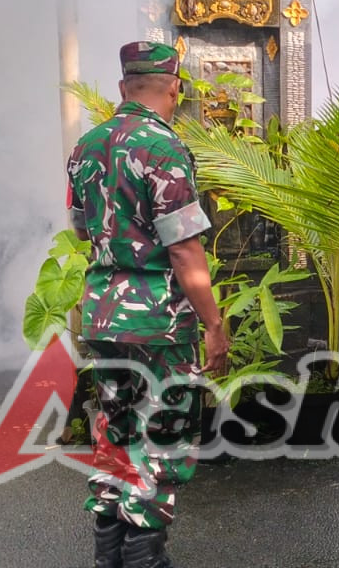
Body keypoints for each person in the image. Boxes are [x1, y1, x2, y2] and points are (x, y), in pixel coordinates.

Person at [67, 41, 229, 568]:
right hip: (158, 319)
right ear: (175, 87)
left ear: (122, 87)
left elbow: (81, 229)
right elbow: (183, 248)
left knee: (116, 426)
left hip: (104, 314)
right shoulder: (163, 148)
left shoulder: (86, 146)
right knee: (161, 434)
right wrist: (214, 323)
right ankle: (144, 558)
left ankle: (108, 554)